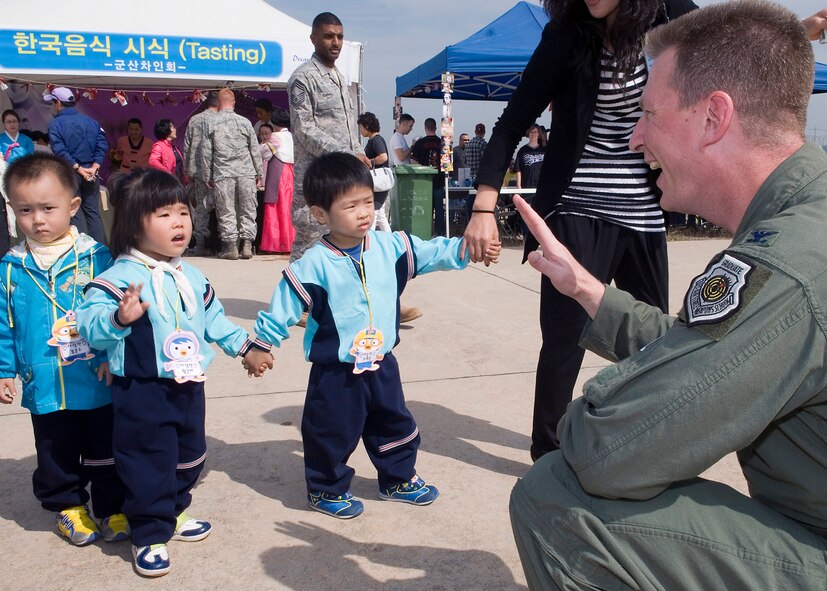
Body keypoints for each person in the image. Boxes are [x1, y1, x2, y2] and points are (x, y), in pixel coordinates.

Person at [508, 2, 827, 589]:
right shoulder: (807, 218)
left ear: (713, 118)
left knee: (554, 492)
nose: (633, 137)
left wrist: (600, 406)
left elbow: (610, 450)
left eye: (649, 113)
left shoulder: (785, 263)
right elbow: (713, 351)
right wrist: (586, 289)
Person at [464, 0, 702, 462]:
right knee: (565, 338)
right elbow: (514, 119)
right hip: (577, 205)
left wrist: (799, 31)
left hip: (644, 213)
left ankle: (639, 447)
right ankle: (548, 455)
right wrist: (483, 204)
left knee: (650, 340)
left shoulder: (667, 16)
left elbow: (727, 43)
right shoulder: (566, 34)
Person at [245, 152, 501, 519]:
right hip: (335, 372)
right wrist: (261, 344)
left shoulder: (389, 246)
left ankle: (396, 478)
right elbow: (282, 308)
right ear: (321, 214)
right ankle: (325, 489)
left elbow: (433, 252)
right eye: (351, 206)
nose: (364, 212)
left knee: (393, 421)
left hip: (381, 361)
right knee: (330, 431)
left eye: (368, 201)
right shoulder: (312, 265)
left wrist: (468, 249)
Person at [75, 167, 269, 577]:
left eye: (182, 211)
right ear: (132, 224)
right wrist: (118, 319)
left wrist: (245, 348)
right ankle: (148, 532)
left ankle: (174, 511)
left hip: (189, 386)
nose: (179, 221)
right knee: (148, 461)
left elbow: (215, 319)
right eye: (163, 215)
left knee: (188, 457)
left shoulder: (191, 274)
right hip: (143, 391)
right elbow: (89, 326)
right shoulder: (118, 279)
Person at [0, 153, 128, 547]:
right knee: (55, 450)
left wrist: (110, 357)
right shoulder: (10, 268)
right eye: (25, 210)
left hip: (94, 378)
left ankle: (112, 508)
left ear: (73, 207)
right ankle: (68, 507)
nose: (37, 219)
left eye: (48, 208)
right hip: (45, 384)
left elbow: (114, 316)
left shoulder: (99, 258)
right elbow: (4, 325)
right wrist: (4, 370)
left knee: (105, 448)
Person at [288, 11, 370, 267]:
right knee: (309, 238)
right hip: (314, 176)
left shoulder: (339, 79)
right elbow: (304, 128)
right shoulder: (302, 78)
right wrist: (345, 154)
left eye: (340, 37)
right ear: (313, 39)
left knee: (340, 240)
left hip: (341, 176)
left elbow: (347, 127)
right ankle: (296, 299)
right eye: (328, 36)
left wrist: (358, 153)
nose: (335, 42)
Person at [44, 87, 108, 243]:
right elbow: (102, 145)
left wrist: (79, 169)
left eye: (52, 102)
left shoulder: (55, 125)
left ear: (58, 103)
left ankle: (80, 252)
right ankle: (100, 251)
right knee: (93, 213)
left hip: (71, 173)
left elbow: (59, 150)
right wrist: (94, 166)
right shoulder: (92, 122)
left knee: (75, 212)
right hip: (92, 173)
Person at [205, 88, 262, 260]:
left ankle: (230, 247)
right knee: (248, 209)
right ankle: (247, 245)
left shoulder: (212, 123)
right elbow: (254, 149)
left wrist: (208, 174)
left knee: (226, 210)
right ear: (234, 103)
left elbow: (207, 152)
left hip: (223, 173)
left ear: (219, 103)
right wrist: (259, 172)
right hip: (246, 172)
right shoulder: (245, 122)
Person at [183, 91, 220, 256]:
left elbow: (187, 146)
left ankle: (201, 244)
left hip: (197, 171)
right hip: (220, 169)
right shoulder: (221, 120)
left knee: (201, 209)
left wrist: (188, 170)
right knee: (224, 207)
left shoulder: (194, 119)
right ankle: (223, 244)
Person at [258, 109, 296, 254]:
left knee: (275, 205)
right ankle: (289, 241)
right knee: (288, 206)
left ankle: (276, 243)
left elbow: (263, 152)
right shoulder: (292, 136)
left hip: (279, 171)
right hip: (291, 171)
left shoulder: (275, 137)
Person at [410, 117, 446, 236]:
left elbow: (414, 163)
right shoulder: (442, 143)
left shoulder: (420, 143)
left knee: (425, 209)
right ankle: (440, 233)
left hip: (424, 181)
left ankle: (426, 232)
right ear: (436, 128)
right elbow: (447, 163)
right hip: (440, 180)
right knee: (439, 209)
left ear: (425, 128)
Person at [357, 111, 391, 231]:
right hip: (379, 182)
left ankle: (370, 240)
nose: (360, 130)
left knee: (374, 213)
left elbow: (383, 157)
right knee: (380, 214)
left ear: (367, 126)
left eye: (361, 126)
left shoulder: (376, 140)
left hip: (378, 181)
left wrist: (368, 161)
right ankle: (390, 240)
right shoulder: (374, 140)